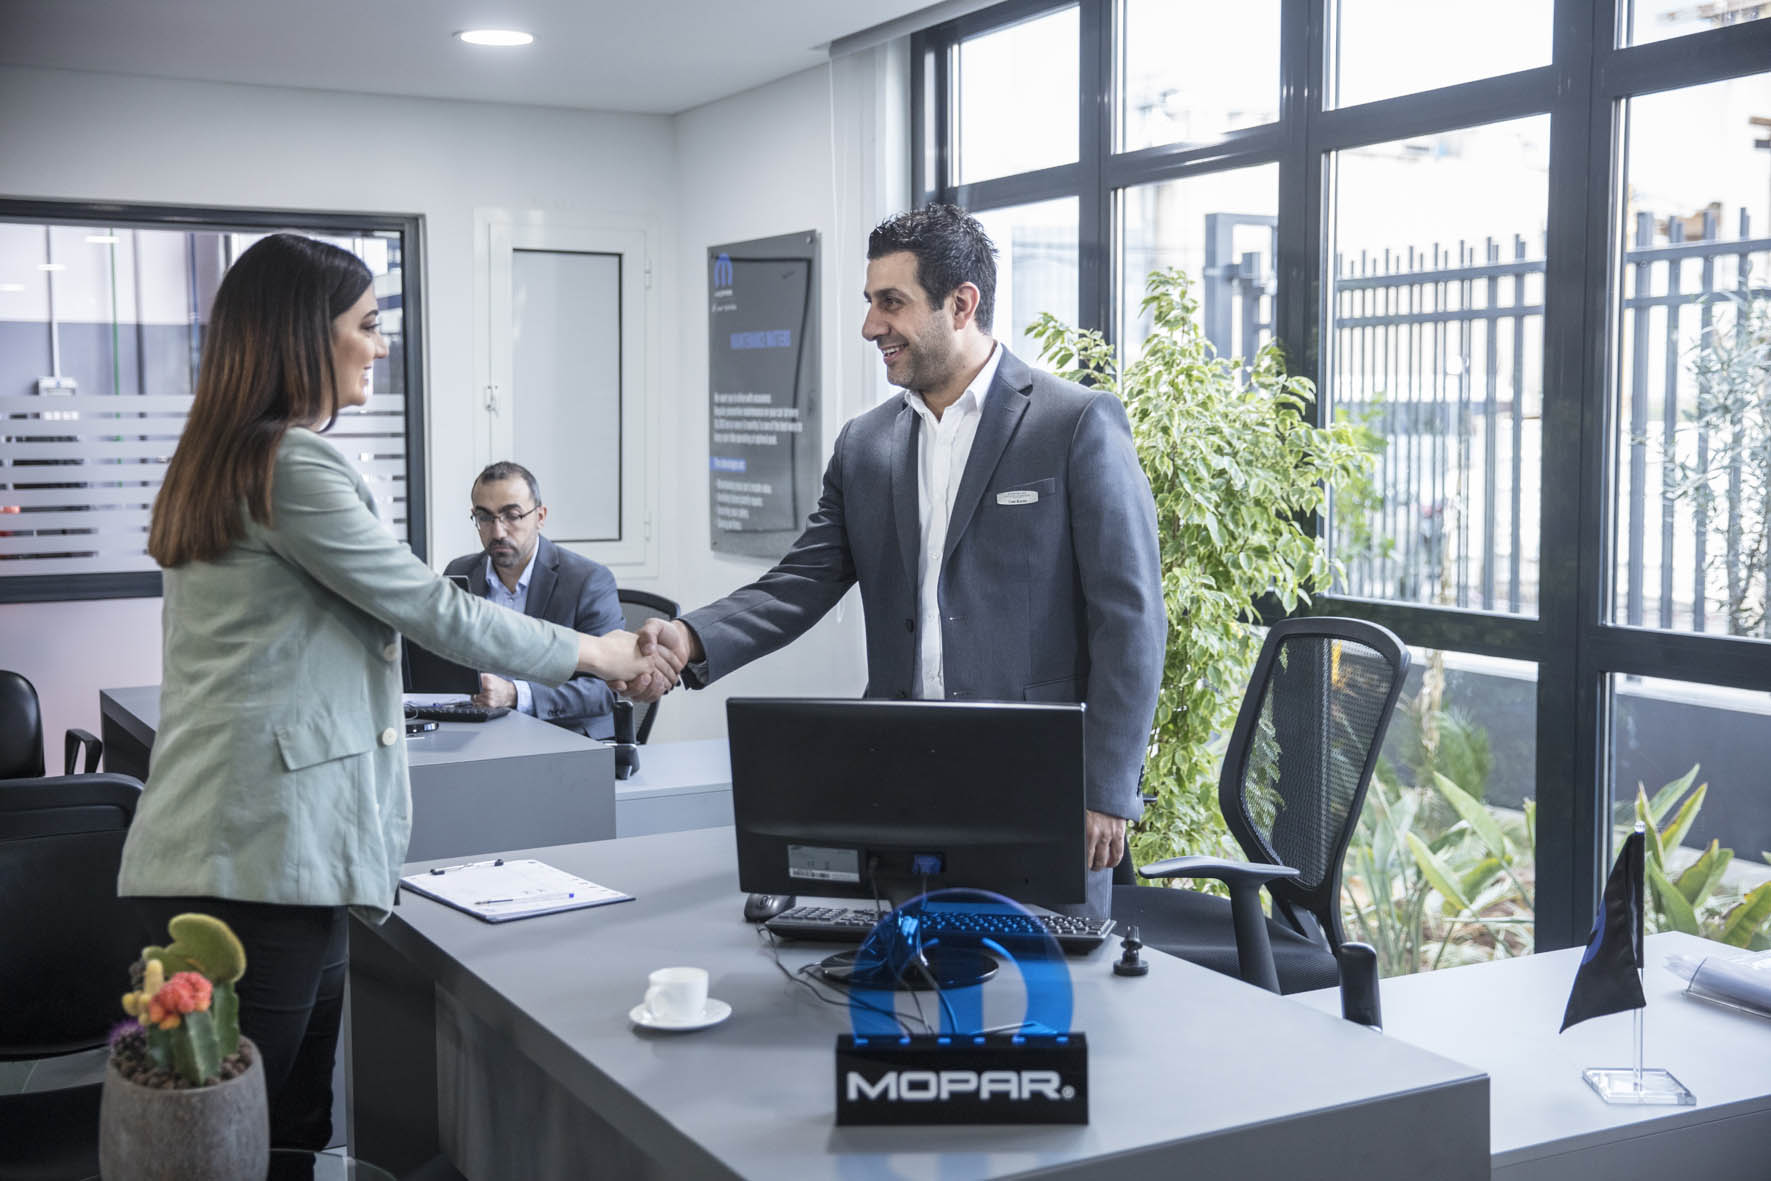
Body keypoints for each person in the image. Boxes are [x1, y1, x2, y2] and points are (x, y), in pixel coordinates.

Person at [117, 233, 679, 1157]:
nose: (381, 344)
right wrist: (600, 653)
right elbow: (430, 608)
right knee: (240, 1137)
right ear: (305, 335)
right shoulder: (291, 464)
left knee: (278, 1126)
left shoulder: (230, 455)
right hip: (259, 857)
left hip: (260, 849)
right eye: (369, 324)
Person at [638, 204, 1164, 916]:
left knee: (1041, 978)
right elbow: (801, 580)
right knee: (897, 970)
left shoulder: (1073, 423)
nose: (870, 326)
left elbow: (1130, 619)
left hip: (1038, 782)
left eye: (891, 302)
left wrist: (1106, 788)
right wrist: (689, 638)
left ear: (961, 304)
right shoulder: (865, 444)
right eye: (870, 302)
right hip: (900, 782)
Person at [443, 461, 626, 739]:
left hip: (562, 737)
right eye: (485, 517)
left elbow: (605, 690)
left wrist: (515, 695)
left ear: (540, 516)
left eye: (512, 516)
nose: (498, 532)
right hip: (479, 733)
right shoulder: (460, 572)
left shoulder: (588, 581)